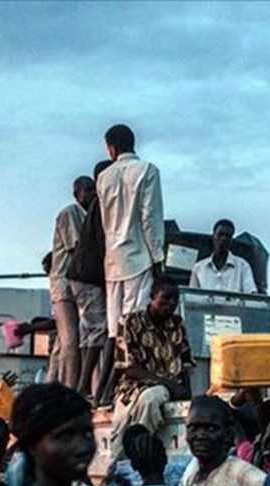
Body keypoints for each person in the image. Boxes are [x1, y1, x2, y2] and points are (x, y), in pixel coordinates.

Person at [95, 123, 165, 403]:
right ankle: (125, 385)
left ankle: (104, 390)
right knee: (135, 325)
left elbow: (103, 223)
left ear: (111, 148)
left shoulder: (103, 177)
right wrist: (158, 257)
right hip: (138, 257)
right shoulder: (147, 171)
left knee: (115, 329)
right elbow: (150, 219)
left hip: (112, 260)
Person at [111, 279, 194, 455]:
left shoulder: (177, 324)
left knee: (151, 398)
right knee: (136, 407)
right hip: (133, 387)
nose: (171, 303)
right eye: (166, 298)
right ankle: (127, 455)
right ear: (152, 297)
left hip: (166, 390)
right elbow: (128, 367)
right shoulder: (129, 322)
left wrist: (188, 398)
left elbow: (185, 364)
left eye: (175, 299)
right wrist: (170, 384)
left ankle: (135, 453)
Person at [50, 174, 105, 391]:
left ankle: (61, 386)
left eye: (94, 190)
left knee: (77, 338)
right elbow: (78, 248)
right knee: (71, 340)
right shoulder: (71, 213)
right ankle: (69, 390)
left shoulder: (90, 215)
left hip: (81, 282)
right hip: (66, 284)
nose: (92, 194)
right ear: (76, 195)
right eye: (88, 190)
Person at [191, 219, 258, 294]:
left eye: (228, 236)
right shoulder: (199, 268)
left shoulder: (243, 267)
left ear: (231, 240)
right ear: (213, 236)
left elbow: (250, 295)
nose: (223, 238)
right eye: (220, 234)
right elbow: (191, 297)